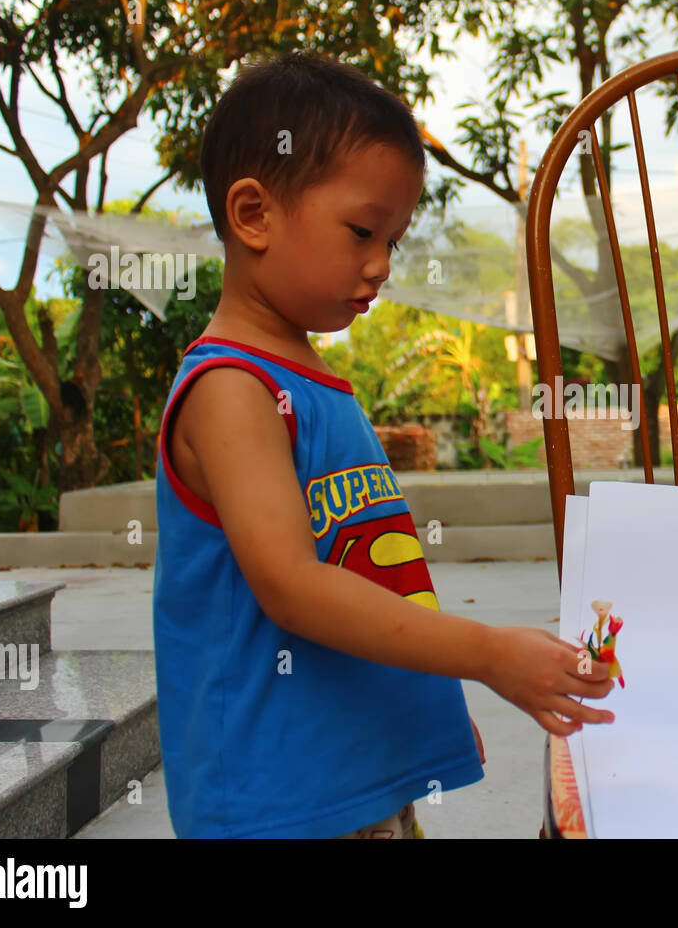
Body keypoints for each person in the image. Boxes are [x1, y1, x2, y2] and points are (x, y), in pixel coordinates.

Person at [152, 51, 614, 839]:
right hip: (278, 805)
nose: (381, 266)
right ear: (254, 215)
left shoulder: (312, 379)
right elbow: (295, 587)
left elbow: (367, 569)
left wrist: (415, 714)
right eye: (363, 231)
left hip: (349, 782)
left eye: (393, 240)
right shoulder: (232, 390)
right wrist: (485, 653)